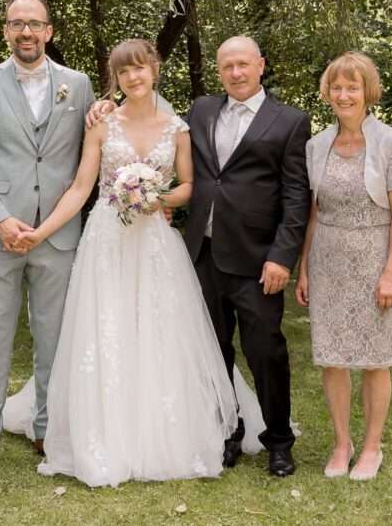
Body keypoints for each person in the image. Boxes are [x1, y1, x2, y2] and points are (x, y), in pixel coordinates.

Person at [12, 39, 237, 487]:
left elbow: (189, 185)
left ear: (154, 70)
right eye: (123, 72)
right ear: (115, 79)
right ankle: (105, 434)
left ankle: (161, 434)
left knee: (157, 331)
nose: (133, 78)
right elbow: (80, 188)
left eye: (139, 69)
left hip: (154, 241)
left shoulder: (177, 127)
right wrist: (41, 231)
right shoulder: (102, 123)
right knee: (108, 329)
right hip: (107, 241)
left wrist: (159, 198)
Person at [86, 35, 310, 477]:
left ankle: (278, 440)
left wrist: (282, 257)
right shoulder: (201, 112)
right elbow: (145, 110)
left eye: (244, 64)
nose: (237, 73)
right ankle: (225, 431)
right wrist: (103, 104)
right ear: (220, 71)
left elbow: (297, 196)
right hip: (202, 253)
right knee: (209, 349)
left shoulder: (289, 121)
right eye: (228, 66)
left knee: (265, 349)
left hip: (257, 257)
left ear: (261, 65)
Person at [0, 0, 96, 475]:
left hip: (56, 234)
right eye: (17, 24)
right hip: (1, 235)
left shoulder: (78, 86)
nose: (26, 33)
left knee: (53, 336)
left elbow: (93, 152)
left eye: (35, 24)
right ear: (6, 32)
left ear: (49, 32)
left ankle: (46, 429)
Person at [295, 51, 392, 481]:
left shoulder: (391, 143)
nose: (344, 94)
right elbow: (312, 211)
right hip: (327, 255)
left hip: (373, 255)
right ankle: (341, 443)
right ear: (327, 92)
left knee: (374, 358)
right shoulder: (316, 145)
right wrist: (305, 268)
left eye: (353, 87)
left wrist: (391, 272)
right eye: (337, 87)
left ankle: (371, 448)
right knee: (332, 358)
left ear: (368, 92)